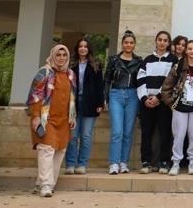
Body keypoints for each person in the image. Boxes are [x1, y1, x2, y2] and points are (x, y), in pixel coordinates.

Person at [27, 45, 76, 198]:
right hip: (45, 118)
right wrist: (35, 116)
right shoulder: (45, 72)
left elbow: (73, 97)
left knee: (60, 151)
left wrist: (72, 116)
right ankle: (45, 184)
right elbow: (35, 96)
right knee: (46, 149)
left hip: (63, 120)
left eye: (64, 55)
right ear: (53, 55)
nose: (61, 58)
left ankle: (45, 183)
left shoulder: (70, 74)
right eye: (58, 54)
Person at [160, 39, 193, 176]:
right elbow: (166, 87)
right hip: (180, 107)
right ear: (186, 50)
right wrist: (171, 104)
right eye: (190, 49)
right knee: (179, 136)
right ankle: (176, 163)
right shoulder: (178, 66)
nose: (192, 51)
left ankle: (192, 162)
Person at [136, 30, 177, 174]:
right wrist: (145, 98)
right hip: (147, 102)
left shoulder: (173, 60)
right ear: (156, 41)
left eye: (165, 40)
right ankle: (146, 162)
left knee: (164, 132)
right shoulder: (147, 60)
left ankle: (164, 162)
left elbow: (171, 81)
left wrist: (159, 97)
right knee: (146, 132)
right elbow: (140, 80)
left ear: (168, 43)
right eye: (160, 39)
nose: (162, 42)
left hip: (163, 103)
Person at [104, 31, 142, 175]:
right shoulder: (114, 60)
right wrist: (105, 98)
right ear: (122, 44)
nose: (128, 45)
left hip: (133, 95)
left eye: (131, 42)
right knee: (117, 132)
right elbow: (107, 79)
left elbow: (141, 81)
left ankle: (123, 162)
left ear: (134, 44)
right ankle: (114, 163)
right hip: (116, 94)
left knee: (127, 132)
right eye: (126, 42)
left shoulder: (138, 61)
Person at [65, 38, 104, 175]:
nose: (83, 48)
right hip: (72, 103)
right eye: (80, 46)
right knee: (73, 136)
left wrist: (100, 102)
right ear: (77, 48)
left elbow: (100, 85)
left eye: (85, 46)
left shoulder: (96, 64)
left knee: (86, 135)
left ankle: (82, 164)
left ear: (89, 49)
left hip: (90, 103)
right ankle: (70, 164)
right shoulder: (70, 64)